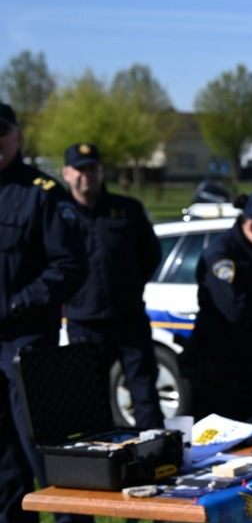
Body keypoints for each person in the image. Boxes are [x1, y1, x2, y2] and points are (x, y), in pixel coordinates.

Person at [0, 103, 107, 523]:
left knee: (45, 457)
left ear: (17, 137)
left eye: (1, 132)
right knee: (2, 468)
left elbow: (69, 265)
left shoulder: (41, 194)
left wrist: (17, 303)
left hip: (27, 346)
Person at [62, 143, 164, 429]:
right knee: (90, 398)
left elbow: (150, 255)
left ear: (101, 171)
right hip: (85, 322)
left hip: (128, 317)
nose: (87, 176)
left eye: (92, 169)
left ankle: (154, 450)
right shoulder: (57, 215)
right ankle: (101, 452)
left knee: (144, 392)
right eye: (80, 170)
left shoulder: (127, 209)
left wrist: (130, 286)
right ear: (66, 173)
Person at [181, 191, 252, 419]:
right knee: (222, 427)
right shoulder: (222, 254)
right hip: (217, 361)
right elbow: (235, 309)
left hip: (249, 353)